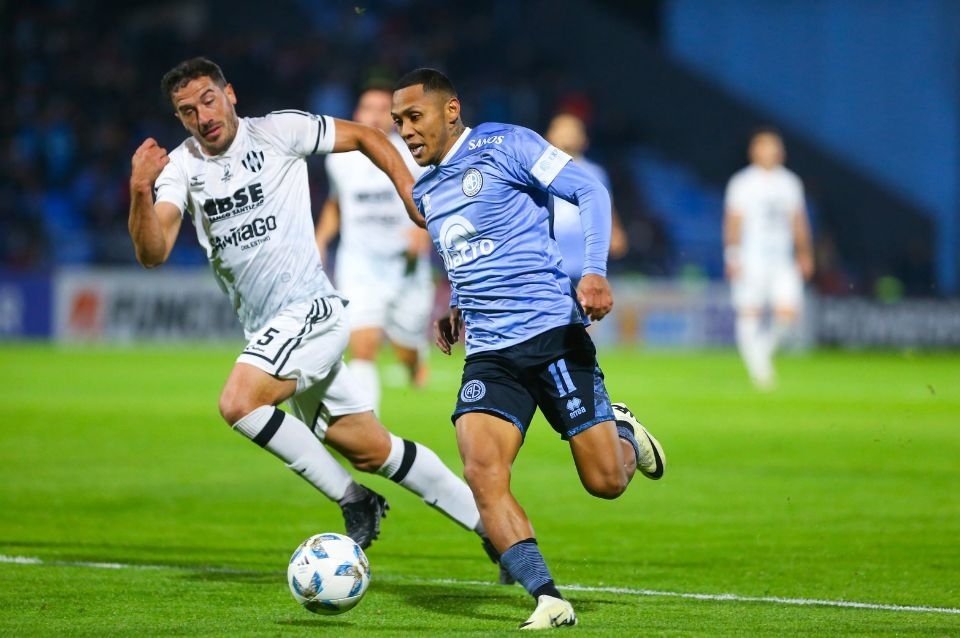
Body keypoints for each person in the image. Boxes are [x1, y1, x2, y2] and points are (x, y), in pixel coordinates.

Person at [128, 57, 497, 565]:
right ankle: (492, 527)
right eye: (188, 111)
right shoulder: (180, 167)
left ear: (229, 95)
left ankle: (353, 500)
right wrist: (139, 190)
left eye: (208, 100)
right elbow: (152, 252)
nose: (202, 116)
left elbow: (367, 137)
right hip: (271, 332)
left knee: (239, 403)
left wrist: (410, 195)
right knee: (373, 449)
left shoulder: (279, 131)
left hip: (311, 310)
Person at [391, 68, 667, 630]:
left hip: (551, 335)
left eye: (414, 117)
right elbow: (468, 250)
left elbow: (590, 191)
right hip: (490, 354)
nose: (406, 131)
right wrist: (456, 305)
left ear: (450, 110)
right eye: (398, 122)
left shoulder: (507, 143)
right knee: (481, 470)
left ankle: (621, 430)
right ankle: (547, 596)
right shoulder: (426, 190)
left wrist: (594, 271)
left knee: (606, 482)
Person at [316, 84, 434, 414]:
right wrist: (320, 238)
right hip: (359, 263)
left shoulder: (413, 154)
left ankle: (413, 359)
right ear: (357, 114)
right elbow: (336, 202)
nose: (375, 116)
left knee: (406, 347)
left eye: (383, 110)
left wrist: (423, 232)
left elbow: (434, 199)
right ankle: (368, 425)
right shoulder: (340, 159)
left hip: (405, 264)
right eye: (369, 108)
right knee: (363, 346)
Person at [723, 127, 814, 390]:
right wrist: (732, 255)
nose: (770, 151)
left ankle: (761, 351)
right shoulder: (743, 182)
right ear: (753, 151)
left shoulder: (790, 182)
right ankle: (760, 371)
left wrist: (805, 253)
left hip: (782, 259)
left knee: (788, 313)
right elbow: (733, 221)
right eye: (764, 146)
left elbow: (798, 220)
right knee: (750, 311)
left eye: (774, 146)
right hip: (751, 258)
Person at [544, 112, 628, 289]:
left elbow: (604, 206)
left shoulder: (594, 172)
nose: (567, 135)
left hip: (581, 255)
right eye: (561, 130)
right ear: (549, 136)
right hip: (548, 254)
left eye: (573, 131)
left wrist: (615, 231)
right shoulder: (539, 171)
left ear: (584, 139)